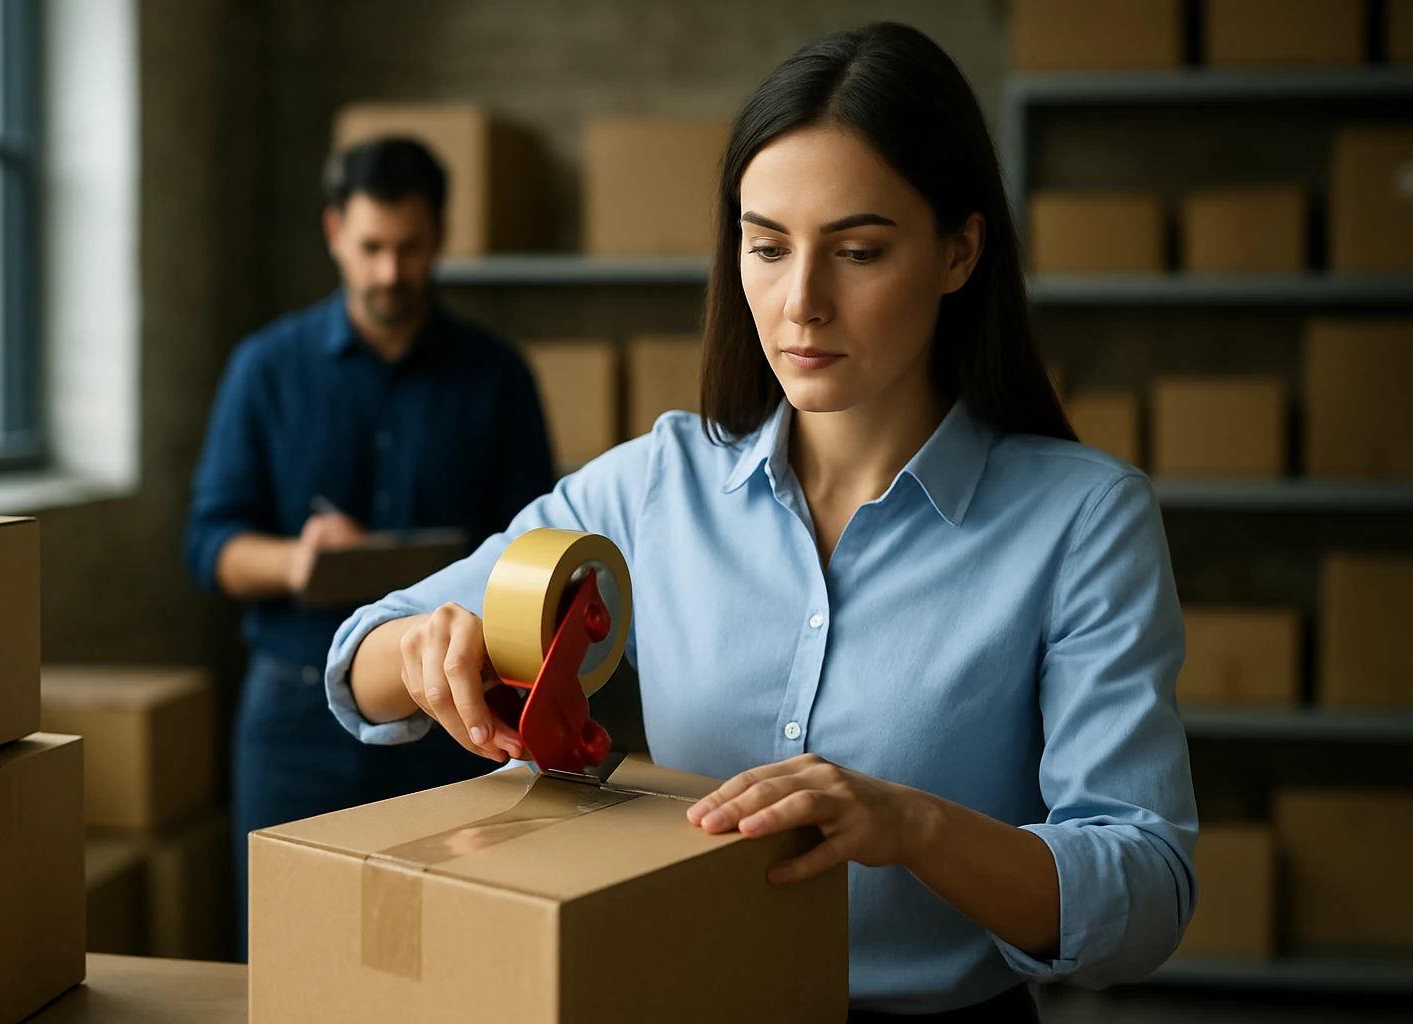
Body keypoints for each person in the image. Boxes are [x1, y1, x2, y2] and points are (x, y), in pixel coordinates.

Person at [322, 23, 1196, 1021]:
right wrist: (419, 650)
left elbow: (1147, 893)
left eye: (858, 250)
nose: (800, 303)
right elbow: (359, 660)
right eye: (767, 246)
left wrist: (912, 824)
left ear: (959, 252)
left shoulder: (1084, 520)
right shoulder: (658, 484)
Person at [182, 137, 555, 956]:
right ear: (333, 234)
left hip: (455, 713)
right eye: (372, 248)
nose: (391, 271)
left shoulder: (498, 378)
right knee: (291, 951)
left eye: (410, 248)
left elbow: (536, 551)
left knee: (455, 957)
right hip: (293, 719)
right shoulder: (264, 369)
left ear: (440, 237)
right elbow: (208, 543)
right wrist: (300, 561)